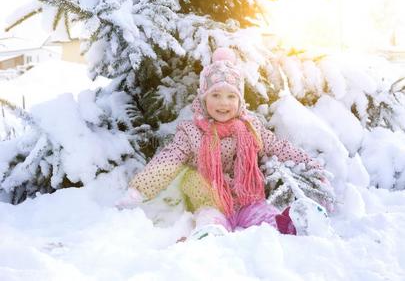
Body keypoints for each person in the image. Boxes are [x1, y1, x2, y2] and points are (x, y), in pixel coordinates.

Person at [116, 47, 330, 238]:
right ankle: (210, 236)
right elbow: (167, 161)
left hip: (248, 199)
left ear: (240, 101)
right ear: (203, 98)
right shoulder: (191, 132)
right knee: (210, 218)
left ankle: (293, 226)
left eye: (231, 96)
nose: (223, 103)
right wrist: (139, 190)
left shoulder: (250, 127)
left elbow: (279, 146)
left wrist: (311, 165)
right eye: (215, 95)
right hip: (209, 200)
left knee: (267, 217)